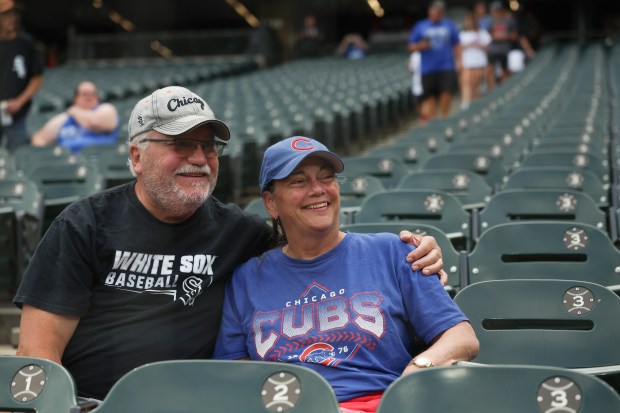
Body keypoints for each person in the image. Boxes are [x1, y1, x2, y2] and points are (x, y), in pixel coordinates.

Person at [13, 85, 446, 400]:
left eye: (209, 147)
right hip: (96, 405)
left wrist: (418, 256)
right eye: (181, 145)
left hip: (201, 405)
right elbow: (37, 354)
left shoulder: (241, 233)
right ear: (136, 156)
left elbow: (319, 248)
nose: (200, 159)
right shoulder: (85, 224)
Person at [213, 136, 480, 413]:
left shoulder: (394, 251)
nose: (318, 189)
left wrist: (418, 369)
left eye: (326, 178)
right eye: (299, 181)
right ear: (271, 203)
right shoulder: (245, 279)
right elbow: (233, 368)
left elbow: (461, 336)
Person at [0, 0, 44, 152]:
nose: (12, 18)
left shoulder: (25, 42)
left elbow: (37, 77)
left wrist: (19, 101)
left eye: (14, 13)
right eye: (6, 14)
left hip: (16, 114)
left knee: (19, 156)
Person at [407, 1, 461, 121]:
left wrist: (459, 61)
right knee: (430, 96)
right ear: (429, 11)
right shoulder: (420, 26)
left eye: (439, 11)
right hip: (427, 68)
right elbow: (410, 47)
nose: (437, 13)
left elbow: (457, 44)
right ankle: (432, 121)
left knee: (446, 92)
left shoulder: (449, 24)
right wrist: (421, 46)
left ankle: (443, 118)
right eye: (435, 10)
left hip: (446, 65)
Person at [31, 81, 119, 153]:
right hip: (69, 166)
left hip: (101, 159)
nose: (89, 97)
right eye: (85, 94)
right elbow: (39, 139)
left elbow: (94, 122)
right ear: (76, 98)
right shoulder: (64, 119)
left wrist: (75, 111)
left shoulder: (106, 109)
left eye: (93, 93)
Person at [458, 13, 491, 110]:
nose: (468, 23)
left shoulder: (482, 33)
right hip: (467, 62)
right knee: (467, 81)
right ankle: (465, 101)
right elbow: (458, 48)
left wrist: (477, 45)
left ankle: (475, 104)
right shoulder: (461, 34)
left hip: (479, 62)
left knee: (476, 83)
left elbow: (486, 46)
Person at [486, 0, 518, 90]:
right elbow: (490, 35)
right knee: (490, 69)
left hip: (504, 49)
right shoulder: (491, 21)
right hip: (493, 49)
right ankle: (492, 91)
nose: (497, 12)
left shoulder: (508, 21)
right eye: (495, 10)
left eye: (498, 10)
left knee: (505, 70)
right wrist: (499, 36)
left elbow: (514, 35)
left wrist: (504, 36)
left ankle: (505, 89)